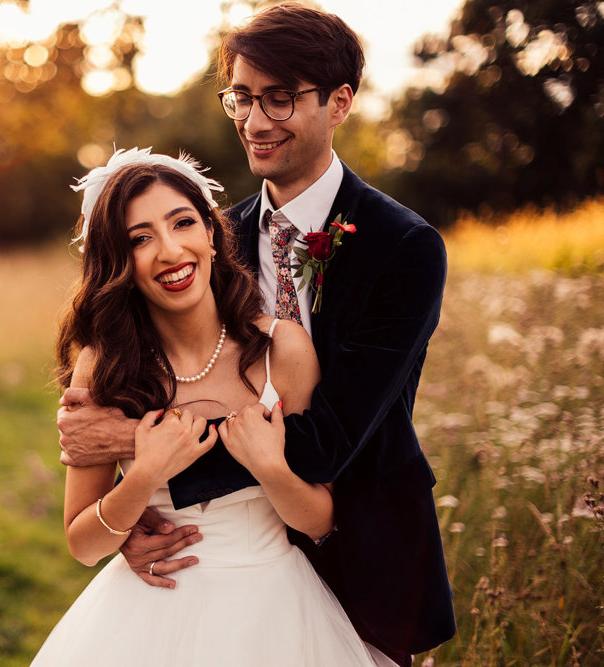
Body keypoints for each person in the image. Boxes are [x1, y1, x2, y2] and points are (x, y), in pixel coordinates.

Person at [56, 4, 456, 665]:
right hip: (199, 565)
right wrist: (128, 513)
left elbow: (328, 440)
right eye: (242, 97)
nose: (255, 120)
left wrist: (135, 439)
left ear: (340, 102)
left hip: (356, 549)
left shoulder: (404, 247)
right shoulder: (208, 235)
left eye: (280, 98)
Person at [32, 147, 394, 666]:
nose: (170, 250)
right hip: (148, 612)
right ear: (119, 262)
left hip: (275, 608)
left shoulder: (282, 350)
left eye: (182, 223)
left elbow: (320, 520)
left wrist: (272, 468)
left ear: (210, 232)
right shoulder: (105, 367)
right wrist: (142, 477)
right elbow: (83, 545)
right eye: (140, 238)